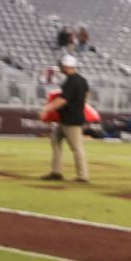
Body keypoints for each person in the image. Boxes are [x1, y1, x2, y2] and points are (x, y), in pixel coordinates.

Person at [43, 53, 90, 183]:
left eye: (62, 65)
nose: (61, 67)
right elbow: (86, 95)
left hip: (71, 119)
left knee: (76, 147)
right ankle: (56, 172)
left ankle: (82, 176)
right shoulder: (82, 80)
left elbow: (63, 100)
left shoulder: (71, 81)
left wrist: (47, 108)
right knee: (55, 140)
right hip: (69, 117)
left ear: (66, 66)